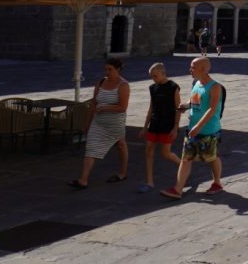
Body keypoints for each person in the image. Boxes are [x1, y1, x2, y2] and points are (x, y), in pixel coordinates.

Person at [160, 57, 224, 200]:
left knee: (211, 158)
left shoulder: (215, 87)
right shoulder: (196, 83)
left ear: (203, 69)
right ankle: (178, 189)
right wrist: (185, 106)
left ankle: (217, 183)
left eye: (193, 67)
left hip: (208, 130)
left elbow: (212, 109)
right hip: (192, 129)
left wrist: (198, 126)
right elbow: (194, 100)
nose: (190, 70)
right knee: (186, 159)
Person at [69, 57, 129, 189]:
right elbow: (93, 103)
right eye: (106, 69)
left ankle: (123, 172)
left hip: (115, 123)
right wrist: (87, 122)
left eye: (110, 69)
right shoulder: (101, 82)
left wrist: (105, 108)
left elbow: (122, 107)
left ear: (118, 69)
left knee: (120, 145)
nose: (107, 72)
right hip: (98, 122)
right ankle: (83, 180)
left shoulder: (123, 85)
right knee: (91, 147)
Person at [137, 63, 181, 193]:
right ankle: (150, 182)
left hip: (167, 124)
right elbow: (151, 108)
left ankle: (183, 166)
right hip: (155, 123)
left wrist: (175, 127)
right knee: (148, 150)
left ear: (163, 73)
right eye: (151, 76)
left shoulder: (173, 87)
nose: (153, 79)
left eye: (155, 76)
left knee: (166, 153)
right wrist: (145, 127)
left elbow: (178, 108)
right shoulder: (152, 88)